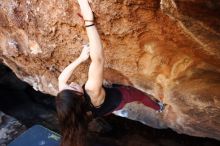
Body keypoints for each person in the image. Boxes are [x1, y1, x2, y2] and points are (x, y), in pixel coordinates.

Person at [55, 0, 165, 146]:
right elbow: (98, 59)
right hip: (117, 100)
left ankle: (112, 95)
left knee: (105, 92)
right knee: (138, 95)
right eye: (73, 88)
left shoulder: (72, 107)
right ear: (80, 97)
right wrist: (89, 22)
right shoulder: (91, 90)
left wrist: (81, 59)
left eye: (69, 86)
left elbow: (61, 80)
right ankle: (158, 107)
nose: (72, 83)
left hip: (103, 108)